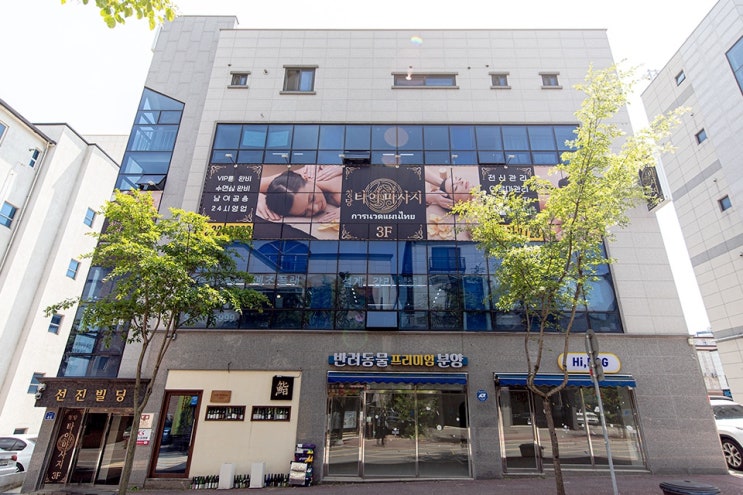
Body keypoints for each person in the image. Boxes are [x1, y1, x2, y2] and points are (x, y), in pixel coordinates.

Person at [257, 165, 342, 221]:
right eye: (305, 212)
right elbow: (253, 183)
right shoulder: (288, 182)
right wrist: (259, 197)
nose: (316, 208)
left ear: (306, 178)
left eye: (312, 198)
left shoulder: (308, 173)